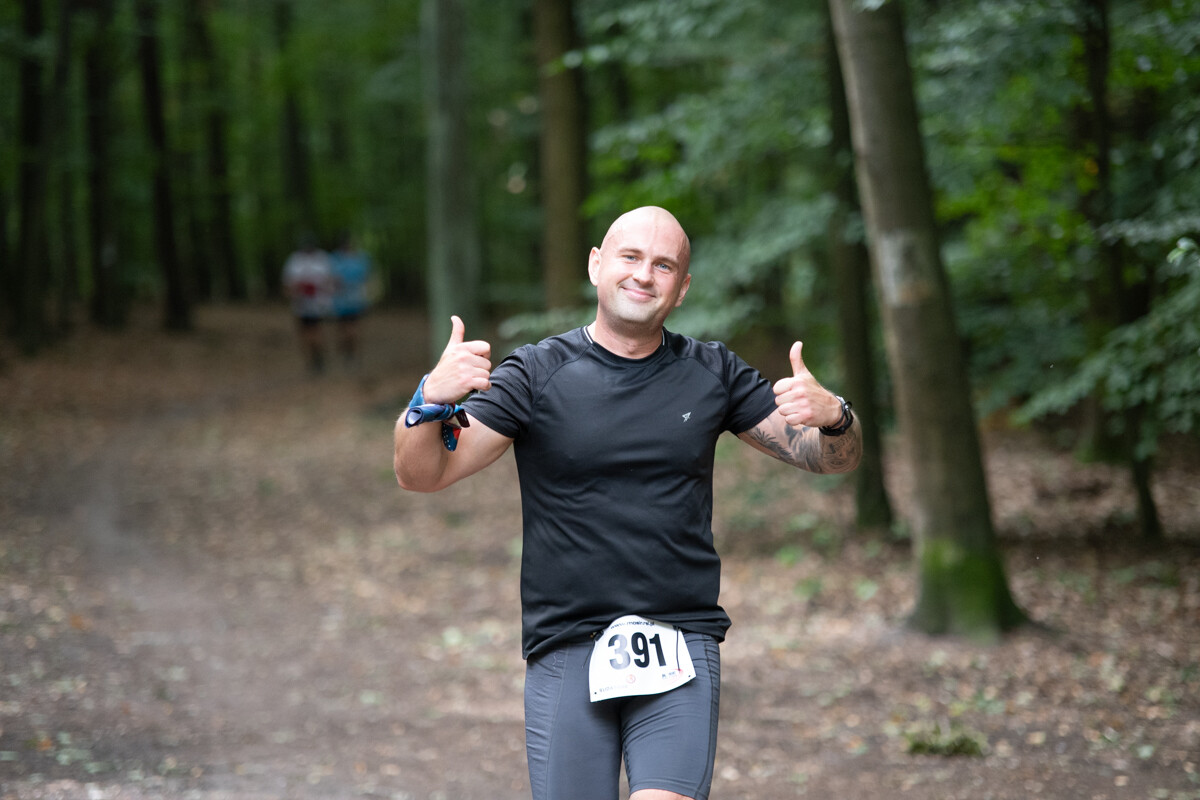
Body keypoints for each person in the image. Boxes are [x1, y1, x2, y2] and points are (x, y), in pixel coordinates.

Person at [393, 206, 861, 800]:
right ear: (596, 265)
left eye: (664, 265)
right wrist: (428, 399)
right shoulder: (536, 374)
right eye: (631, 257)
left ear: (682, 287)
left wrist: (837, 417)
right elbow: (422, 474)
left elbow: (827, 458)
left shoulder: (712, 372)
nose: (644, 275)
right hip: (566, 640)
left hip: (680, 641)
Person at [281, 234, 334, 374]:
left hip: (318, 304)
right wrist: (296, 291)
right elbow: (288, 285)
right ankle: (314, 360)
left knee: (314, 331)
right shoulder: (295, 260)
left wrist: (322, 291)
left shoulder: (321, 259)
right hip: (301, 304)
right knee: (306, 333)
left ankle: (317, 358)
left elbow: (330, 281)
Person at [329, 233, 373, 367]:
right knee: (349, 327)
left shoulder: (337, 259)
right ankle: (350, 353)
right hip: (347, 300)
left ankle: (350, 353)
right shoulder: (358, 259)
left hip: (349, 300)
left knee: (348, 328)